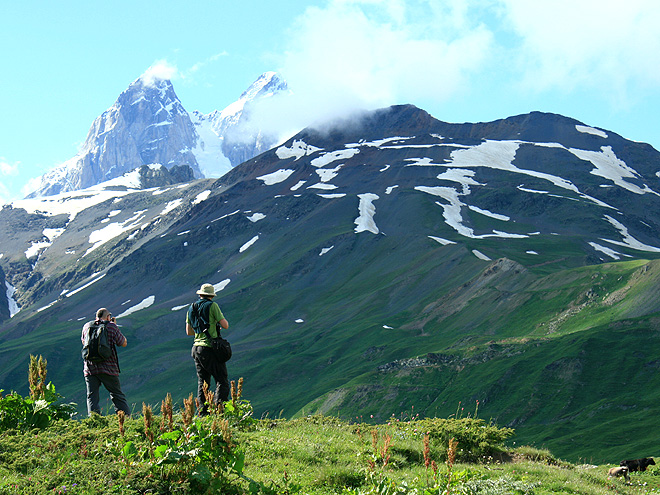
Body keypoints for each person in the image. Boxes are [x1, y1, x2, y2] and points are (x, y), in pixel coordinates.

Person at [186, 283, 230, 414]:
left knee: (203, 382)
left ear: (200, 294)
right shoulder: (212, 306)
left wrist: (200, 331)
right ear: (211, 296)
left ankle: (203, 413)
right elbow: (225, 325)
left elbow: (189, 332)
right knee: (222, 381)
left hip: (196, 348)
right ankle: (219, 411)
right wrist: (213, 327)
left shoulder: (191, 308)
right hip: (209, 348)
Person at [81, 308, 130, 416]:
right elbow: (123, 343)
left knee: (92, 396)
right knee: (117, 394)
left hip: (90, 368)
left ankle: (94, 421)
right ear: (108, 317)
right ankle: (125, 419)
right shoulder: (111, 326)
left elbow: (84, 342)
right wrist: (114, 326)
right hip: (108, 367)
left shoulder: (86, 326)